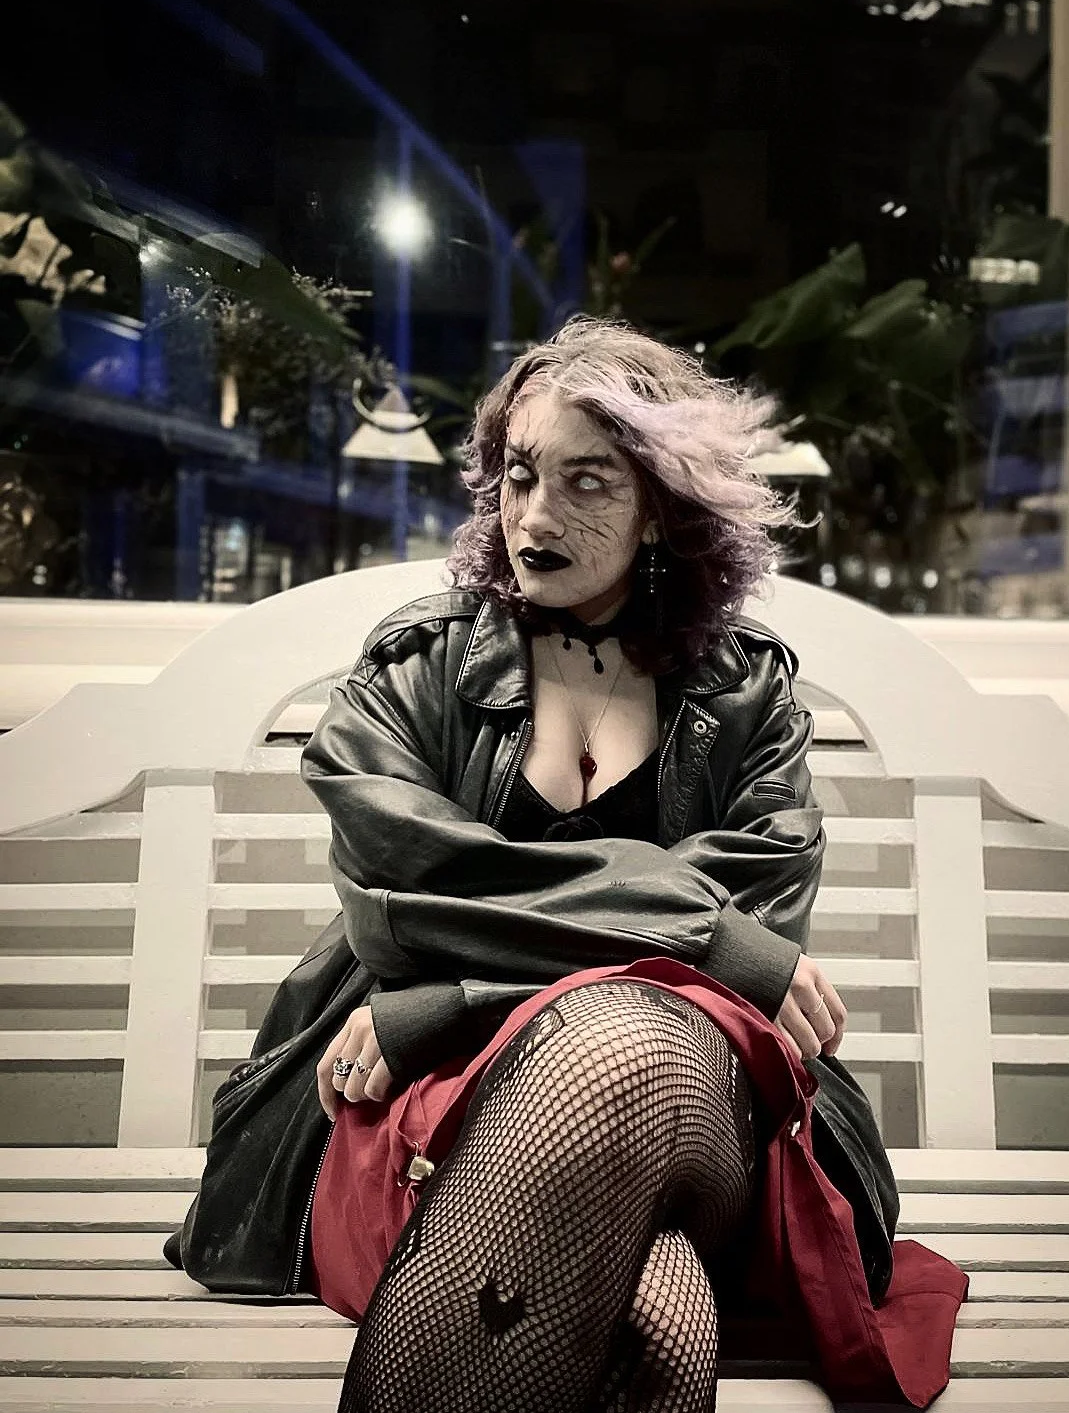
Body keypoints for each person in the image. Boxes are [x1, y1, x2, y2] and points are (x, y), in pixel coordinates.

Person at [192, 315, 967, 1412]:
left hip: (699, 1112)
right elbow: (402, 891)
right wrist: (696, 933)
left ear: (660, 502)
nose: (535, 517)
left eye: (587, 482)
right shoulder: (419, 669)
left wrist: (455, 992)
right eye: (518, 477)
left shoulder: (743, 697)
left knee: (633, 1043)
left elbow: (750, 931)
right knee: (655, 1312)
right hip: (434, 1106)